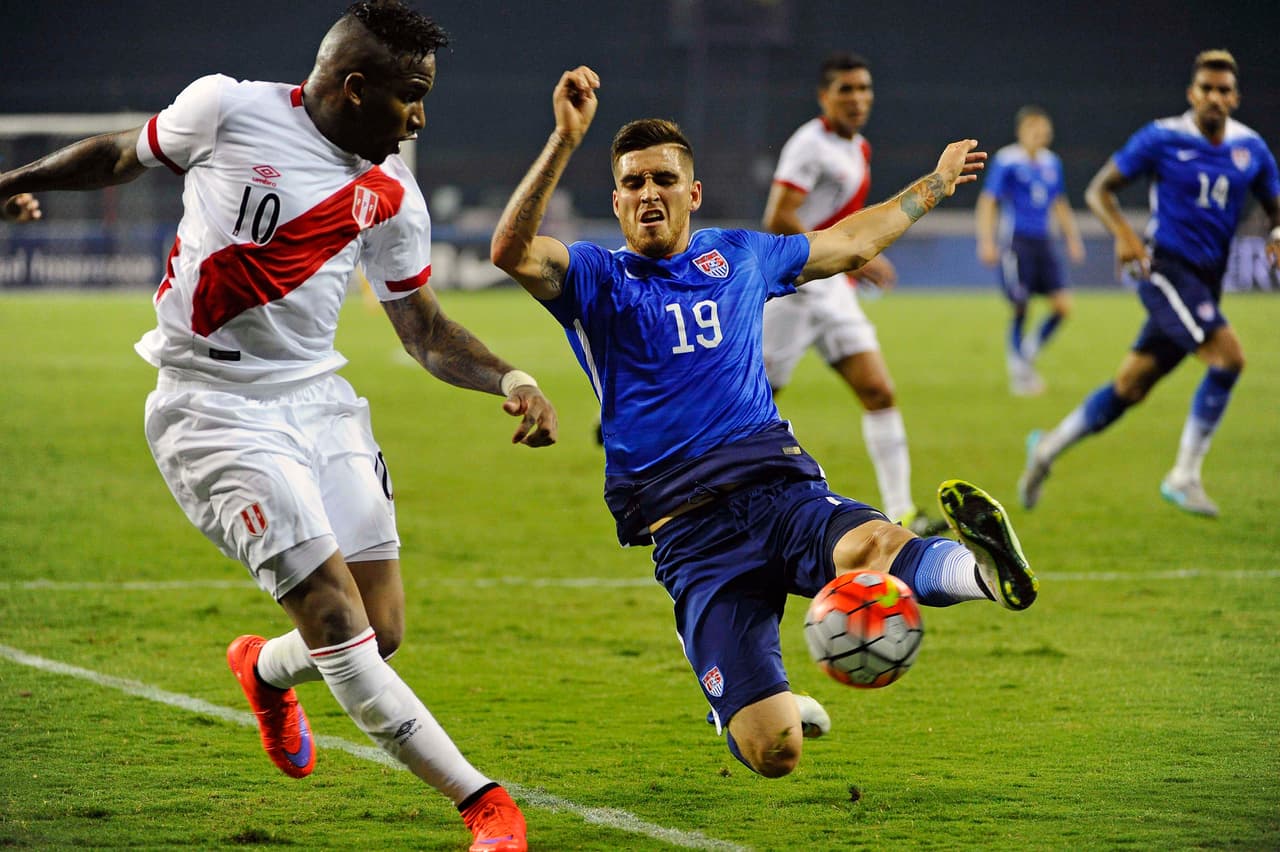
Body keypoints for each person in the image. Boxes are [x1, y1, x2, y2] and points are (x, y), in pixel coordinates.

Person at [0, 4, 548, 850]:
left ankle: (261, 669)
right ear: (355, 88)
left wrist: (510, 377)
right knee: (334, 617)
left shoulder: (392, 195)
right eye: (412, 95)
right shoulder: (229, 107)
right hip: (212, 409)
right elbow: (119, 154)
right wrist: (12, 181)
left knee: (381, 628)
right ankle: (484, 804)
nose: (421, 116)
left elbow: (424, 331)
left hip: (319, 404)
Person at [490, 66, 1038, 779]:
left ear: (692, 193)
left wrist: (933, 185)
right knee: (773, 752)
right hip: (688, 536)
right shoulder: (595, 278)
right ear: (618, 201)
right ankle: (748, 703)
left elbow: (849, 243)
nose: (647, 192)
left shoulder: (741, 255)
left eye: (662, 178)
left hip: (779, 491)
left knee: (873, 544)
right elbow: (511, 250)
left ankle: (988, 575)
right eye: (631, 183)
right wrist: (565, 140)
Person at [1019, 50, 1280, 518]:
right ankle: (1184, 475)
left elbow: (1275, 205)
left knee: (1129, 388)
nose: (1215, 98)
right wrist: (1122, 234)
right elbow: (1099, 190)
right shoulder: (1162, 137)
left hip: (1206, 282)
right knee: (1228, 358)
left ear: (1235, 97)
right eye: (1207, 89)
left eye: (1224, 90)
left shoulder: (1252, 149)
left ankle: (1046, 448)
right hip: (1164, 269)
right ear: (1192, 94)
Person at [761, 53, 947, 536]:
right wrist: (843, 254)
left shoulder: (858, 148)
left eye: (864, 89)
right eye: (846, 89)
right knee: (752, 401)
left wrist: (855, 259)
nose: (858, 98)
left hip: (835, 290)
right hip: (797, 292)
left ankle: (903, 511)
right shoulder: (809, 145)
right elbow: (778, 217)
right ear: (825, 96)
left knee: (879, 391)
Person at [975, 105, 1086, 395]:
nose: (1041, 135)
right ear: (1022, 132)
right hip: (1016, 243)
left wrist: (1072, 237)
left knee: (1063, 306)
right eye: (1035, 130)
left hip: (1044, 242)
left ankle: (1027, 351)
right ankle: (1019, 371)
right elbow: (989, 201)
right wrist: (986, 241)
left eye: (1044, 130)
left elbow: (1059, 202)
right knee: (1021, 304)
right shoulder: (1008, 161)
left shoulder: (1052, 163)